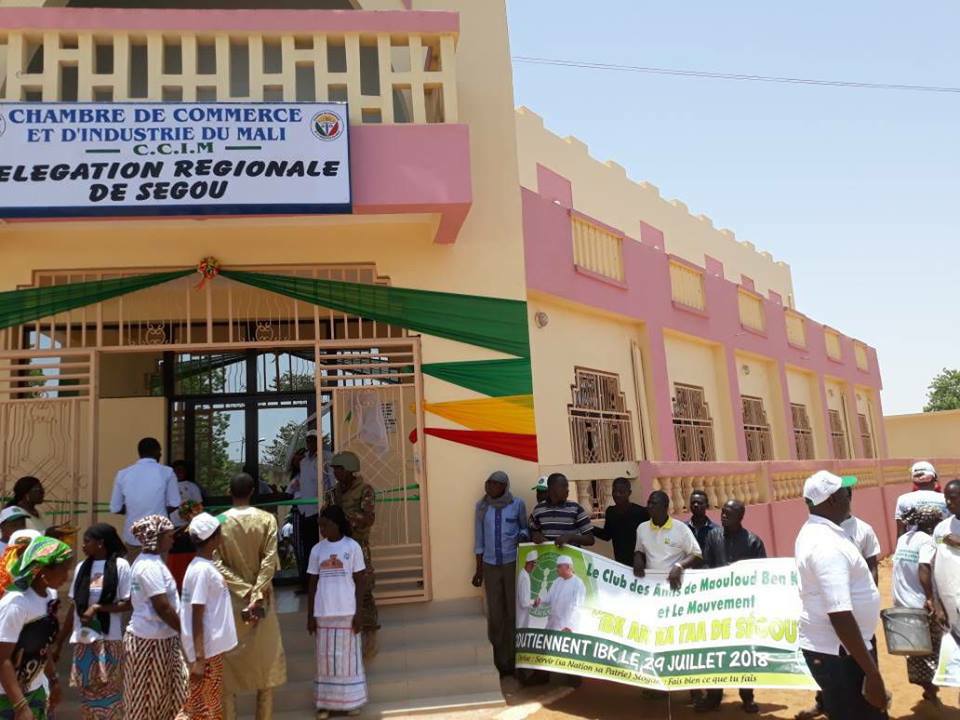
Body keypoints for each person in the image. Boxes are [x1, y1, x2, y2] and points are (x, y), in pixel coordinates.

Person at [795, 471, 886, 720]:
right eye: (845, 493)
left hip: (846, 649)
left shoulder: (823, 532)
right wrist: (872, 674)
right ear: (833, 500)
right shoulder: (826, 545)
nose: (849, 497)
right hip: (842, 654)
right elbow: (839, 614)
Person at [215, 473, 287, 720]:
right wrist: (256, 592)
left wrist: (244, 590)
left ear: (229, 491)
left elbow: (216, 563)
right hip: (262, 600)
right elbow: (269, 561)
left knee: (228, 667)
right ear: (253, 491)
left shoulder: (219, 521)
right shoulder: (267, 519)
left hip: (232, 601)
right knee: (265, 665)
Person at [696, 500, 765, 714]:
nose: (723, 516)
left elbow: (762, 574)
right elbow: (705, 564)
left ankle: (747, 697)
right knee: (715, 652)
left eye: (728, 513)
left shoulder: (753, 541)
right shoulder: (713, 537)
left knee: (743, 653)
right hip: (717, 606)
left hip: (742, 608)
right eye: (723, 512)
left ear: (740, 517)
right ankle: (713, 696)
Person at [60, 524, 131, 720]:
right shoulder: (81, 568)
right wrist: (60, 641)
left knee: (110, 692)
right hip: (85, 640)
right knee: (88, 693)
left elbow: (127, 603)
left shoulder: (120, 566)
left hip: (110, 639)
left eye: (87, 541)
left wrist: (98, 608)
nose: (83, 546)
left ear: (101, 543)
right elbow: (74, 606)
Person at [0, 536, 72, 720]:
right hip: (6, 698)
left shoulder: (49, 598)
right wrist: (20, 706)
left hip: (35, 691)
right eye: (63, 569)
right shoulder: (16, 604)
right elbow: (2, 659)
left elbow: (43, 645)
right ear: (43, 571)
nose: (67, 576)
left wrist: (53, 680)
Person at [124, 515, 187, 720]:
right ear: (156, 538)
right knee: (146, 705)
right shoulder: (149, 567)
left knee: (169, 700)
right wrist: (185, 631)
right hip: (149, 644)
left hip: (161, 640)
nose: (173, 540)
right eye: (169, 536)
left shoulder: (150, 562)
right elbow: (163, 607)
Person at [307, 505, 368, 719]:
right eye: (320, 525)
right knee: (325, 660)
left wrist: (359, 613)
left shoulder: (352, 547)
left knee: (348, 660)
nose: (322, 529)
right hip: (324, 613)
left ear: (337, 524)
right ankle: (324, 705)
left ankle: (351, 702)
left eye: (325, 525)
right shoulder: (317, 550)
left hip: (347, 613)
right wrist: (310, 616)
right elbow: (312, 584)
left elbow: (360, 581)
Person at [177, 513, 238, 720]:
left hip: (210, 651)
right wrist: (199, 659)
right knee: (204, 709)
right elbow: (197, 614)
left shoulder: (203, 566)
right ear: (213, 538)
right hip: (206, 652)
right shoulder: (202, 570)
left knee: (204, 706)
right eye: (219, 532)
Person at [471, 471, 528, 679]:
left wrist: (521, 536)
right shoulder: (482, 507)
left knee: (513, 611)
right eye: (488, 484)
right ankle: (500, 662)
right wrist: (479, 570)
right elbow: (479, 540)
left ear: (504, 486)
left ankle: (515, 659)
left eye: (495, 484)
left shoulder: (517, 504)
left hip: (512, 563)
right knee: (496, 614)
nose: (490, 488)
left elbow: (525, 529)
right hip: (490, 565)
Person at [890, 506, 942, 706]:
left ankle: (928, 687)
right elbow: (924, 567)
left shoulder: (904, 538)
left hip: (901, 602)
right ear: (931, 523)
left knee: (915, 649)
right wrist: (929, 597)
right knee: (933, 646)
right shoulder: (927, 541)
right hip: (920, 604)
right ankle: (931, 686)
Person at [331, 451, 379, 658]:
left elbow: (368, 518)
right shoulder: (335, 491)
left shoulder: (365, 489)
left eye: (339, 469)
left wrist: (345, 520)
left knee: (364, 588)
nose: (336, 472)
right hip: (340, 546)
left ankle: (370, 633)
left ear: (350, 469)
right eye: (334, 469)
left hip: (358, 546)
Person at [110, 437, 181, 555]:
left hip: (133, 536)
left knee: (134, 567)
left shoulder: (122, 474)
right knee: (158, 567)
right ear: (157, 452)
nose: (161, 454)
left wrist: (134, 508)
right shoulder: (167, 472)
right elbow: (175, 503)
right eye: (160, 451)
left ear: (140, 453)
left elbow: (115, 508)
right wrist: (159, 510)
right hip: (159, 537)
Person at [633, 490, 702, 591]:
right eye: (649, 503)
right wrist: (637, 558)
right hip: (651, 586)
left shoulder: (681, 528)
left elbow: (697, 555)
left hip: (674, 585)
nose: (649, 506)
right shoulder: (642, 528)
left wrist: (679, 566)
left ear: (665, 507)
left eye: (654, 503)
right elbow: (639, 550)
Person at [593, 478, 649, 566]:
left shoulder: (640, 512)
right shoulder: (611, 512)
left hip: (640, 564)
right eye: (614, 491)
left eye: (621, 492)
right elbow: (606, 535)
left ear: (629, 493)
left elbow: (648, 539)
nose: (617, 495)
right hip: (621, 564)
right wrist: (589, 528)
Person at [530, 473, 594, 548]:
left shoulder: (576, 508)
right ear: (552, 489)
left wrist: (571, 537)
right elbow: (533, 530)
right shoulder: (538, 509)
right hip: (548, 554)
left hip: (571, 555)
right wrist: (536, 535)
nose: (568, 490)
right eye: (564, 486)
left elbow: (590, 539)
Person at [295, 432, 323, 590]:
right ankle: (307, 583)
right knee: (307, 548)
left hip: (317, 509)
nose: (310, 443)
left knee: (318, 546)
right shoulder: (304, 461)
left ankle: (319, 582)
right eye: (308, 441)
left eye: (313, 440)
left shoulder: (324, 458)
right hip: (305, 510)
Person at [841, 486, 882, 586]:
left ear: (849, 498)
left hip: (859, 591)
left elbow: (872, 567)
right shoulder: (822, 530)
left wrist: (873, 592)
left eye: (840, 497)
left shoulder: (864, 529)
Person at [896, 461, 947, 537]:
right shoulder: (946, 499)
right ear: (934, 478)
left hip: (913, 544)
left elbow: (901, 531)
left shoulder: (903, 499)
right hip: (942, 544)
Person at [544, 555, 585, 633]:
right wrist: (539, 600)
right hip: (551, 624)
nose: (557, 569)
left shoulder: (578, 583)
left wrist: (569, 626)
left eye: (559, 566)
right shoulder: (557, 581)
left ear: (568, 567)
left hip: (565, 628)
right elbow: (548, 598)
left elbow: (577, 607)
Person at [169, 461, 204, 531]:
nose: (179, 472)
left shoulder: (192, 486)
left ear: (186, 471)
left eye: (182, 470)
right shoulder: (168, 486)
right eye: (177, 470)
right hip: (171, 525)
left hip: (189, 525)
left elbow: (199, 506)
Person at [516, 551, 538, 629]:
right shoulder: (524, 577)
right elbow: (524, 602)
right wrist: (534, 602)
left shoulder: (524, 574)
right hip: (521, 619)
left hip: (522, 617)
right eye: (533, 564)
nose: (534, 566)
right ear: (528, 563)